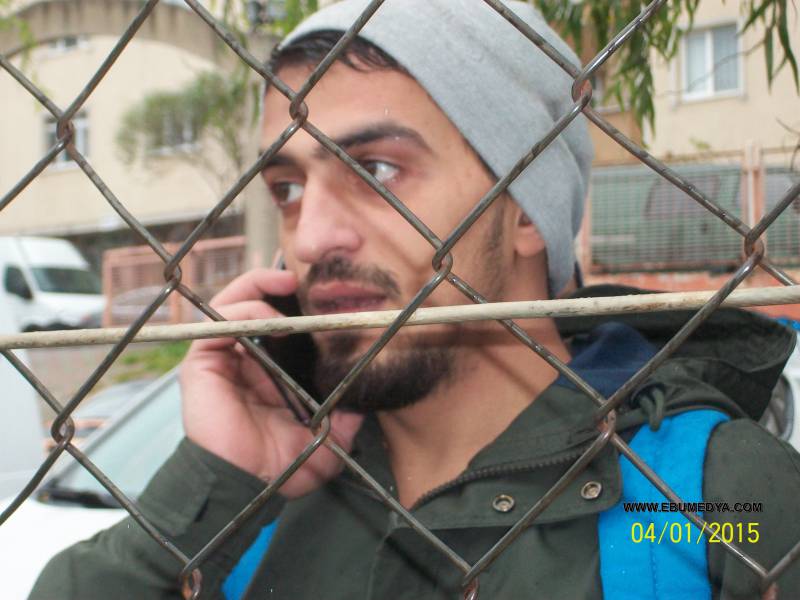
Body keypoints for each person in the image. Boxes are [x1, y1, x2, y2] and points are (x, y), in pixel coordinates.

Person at [30, 1, 800, 599]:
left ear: (524, 210)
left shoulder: (704, 501)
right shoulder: (250, 512)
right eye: (288, 188)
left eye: (376, 171)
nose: (310, 237)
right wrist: (208, 485)